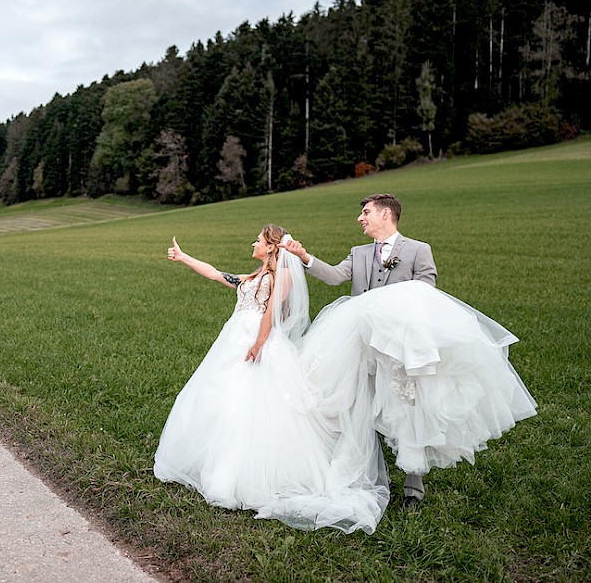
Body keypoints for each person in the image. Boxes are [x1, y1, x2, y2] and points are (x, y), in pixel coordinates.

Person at [282, 193, 537, 509]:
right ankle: (369, 474)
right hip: (361, 341)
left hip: (402, 344)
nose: (360, 219)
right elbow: (335, 276)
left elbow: (427, 293)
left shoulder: (418, 250)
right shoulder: (359, 253)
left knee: (408, 408)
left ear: (386, 214)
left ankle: (413, 489)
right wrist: (305, 257)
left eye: (366, 212)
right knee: (359, 404)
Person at [154, 225, 389, 534]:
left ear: (271, 248)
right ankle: (217, 465)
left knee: (250, 404)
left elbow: (271, 313)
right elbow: (215, 274)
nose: (254, 243)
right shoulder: (253, 277)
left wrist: (259, 343)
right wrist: (184, 258)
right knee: (224, 399)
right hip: (234, 340)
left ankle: (244, 475)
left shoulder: (282, 276)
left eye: (259, 240)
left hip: (256, 343)